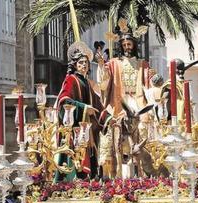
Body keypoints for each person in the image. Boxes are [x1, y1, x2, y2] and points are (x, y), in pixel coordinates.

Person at [96, 19, 150, 178]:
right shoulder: (113, 63)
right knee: (114, 136)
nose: (127, 47)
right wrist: (101, 65)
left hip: (139, 106)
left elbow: (148, 84)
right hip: (119, 107)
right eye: (124, 44)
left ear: (134, 45)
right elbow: (104, 84)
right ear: (121, 46)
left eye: (129, 44)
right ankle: (116, 174)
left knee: (143, 131)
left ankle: (143, 172)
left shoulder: (142, 64)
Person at [55, 40, 105, 181]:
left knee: (89, 156)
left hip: (87, 129)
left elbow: (97, 104)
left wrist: (108, 118)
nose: (84, 65)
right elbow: (64, 100)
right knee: (75, 158)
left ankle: (88, 181)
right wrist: (83, 108)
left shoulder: (87, 83)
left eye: (86, 62)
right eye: (80, 62)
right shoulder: (71, 79)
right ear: (75, 65)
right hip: (75, 128)